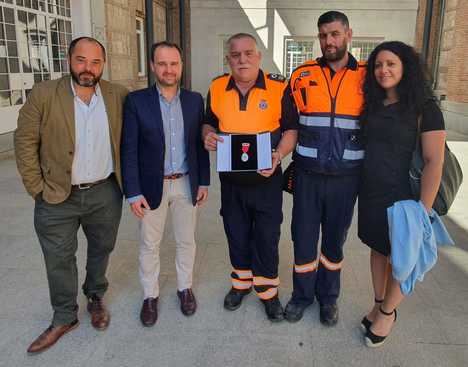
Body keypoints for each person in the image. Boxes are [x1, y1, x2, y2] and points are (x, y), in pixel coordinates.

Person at [14, 37, 128, 353]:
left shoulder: (117, 95)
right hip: (56, 195)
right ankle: (64, 315)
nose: (87, 68)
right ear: (69, 60)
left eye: (95, 62)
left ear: (103, 64)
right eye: (81, 60)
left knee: (102, 248)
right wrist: (36, 187)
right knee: (58, 259)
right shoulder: (44, 94)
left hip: (105, 192)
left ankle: (95, 294)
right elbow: (24, 142)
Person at [202, 33, 298, 322]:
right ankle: (241, 284)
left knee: (267, 237)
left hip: (267, 182)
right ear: (228, 59)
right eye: (235, 54)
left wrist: (278, 155)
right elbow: (209, 121)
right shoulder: (217, 87)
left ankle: (268, 292)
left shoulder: (279, 88)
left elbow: (292, 130)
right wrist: (207, 134)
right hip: (231, 183)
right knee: (237, 234)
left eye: (248, 53)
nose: (241, 59)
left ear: (258, 56)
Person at [358, 41, 446, 347]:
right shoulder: (372, 104)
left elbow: (435, 161)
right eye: (378, 65)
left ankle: (387, 313)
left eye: (391, 64)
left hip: (405, 196)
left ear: (405, 67)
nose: (383, 70)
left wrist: (424, 208)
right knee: (378, 249)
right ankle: (378, 301)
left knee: (401, 257)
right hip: (371, 192)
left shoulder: (425, 108)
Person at [285, 11, 366, 326]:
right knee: (303, 238)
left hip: (347, 177)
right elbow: (287, 122)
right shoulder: (301, 75)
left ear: (348, 34)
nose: (328, 41)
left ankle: (328, 299)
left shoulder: (367, 76)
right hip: (307, 175)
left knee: (334, 242)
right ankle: (301, 296)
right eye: (323, 35)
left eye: (334, 34)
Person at [121, 41, 210, 326]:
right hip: (150, 186)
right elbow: (129, 149)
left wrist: (204, 181)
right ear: (152, 66)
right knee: (149, 244)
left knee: (186, 241)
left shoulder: (195, 100)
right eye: (162, 63)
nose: (168, 69)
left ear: (181, 66)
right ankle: (150, 295)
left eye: (174, 63)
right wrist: (133, 192)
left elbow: (199, 145)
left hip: (186, 183)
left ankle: (185, 288)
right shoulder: (136, 101)